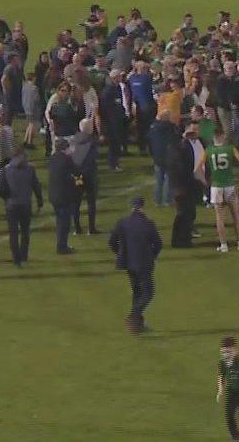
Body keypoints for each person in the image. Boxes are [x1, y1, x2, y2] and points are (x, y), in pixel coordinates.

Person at [109, 196, 162, 334]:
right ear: (142, 207)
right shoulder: (148, 224)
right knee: (148, 293)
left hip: (128, 263)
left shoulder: (122, 223)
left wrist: (120, 253)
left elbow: (112, 242)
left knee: (137, 292)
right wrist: (152, 256)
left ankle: (137, 326)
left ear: (132, 207)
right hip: (144, 263)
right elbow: (158, 244)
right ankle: (134, 316)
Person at [198, 130, 239, 252]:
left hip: (216, 186)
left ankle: (223, 245)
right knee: (236, 215)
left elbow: (198, 168)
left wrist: (205, 183)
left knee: (219, 217)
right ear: (223, 136)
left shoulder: (208, 150)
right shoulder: (230, 149)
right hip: (229, 184)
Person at [0, 147, 43, 266]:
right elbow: (36, 186)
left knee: (13, 233)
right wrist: (39, 201)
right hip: (26, 205)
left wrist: (7, 198)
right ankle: (23, 257)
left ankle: (16, 259)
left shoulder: (6, 170)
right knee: (25, 233)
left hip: (12, 205)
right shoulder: (30, 169)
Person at [168, 123, 201, 248]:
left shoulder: (195, 143)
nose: (195, 133)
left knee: (189, 213)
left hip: (189, 184)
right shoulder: (178, 145)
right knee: (184, 213)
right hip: (182, 185)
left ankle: (183, 239)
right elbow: (180, 167)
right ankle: (181, 241)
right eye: (192, 130)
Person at [48, 138, 80, 254]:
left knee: (60, 221)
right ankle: (62, 247)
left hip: (53, 195)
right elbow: (77, 173)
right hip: (64, 196)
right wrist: (79, 185)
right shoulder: (67, 159)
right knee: (64, 223)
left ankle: (61, 245)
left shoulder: (52, 158)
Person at [69, 118, 99, 235]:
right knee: (91, 201)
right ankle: (91, 228)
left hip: (77, 175)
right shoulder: (93, 141)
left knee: (76, 201)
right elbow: (94, 156)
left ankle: (77, 228)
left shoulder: (74, 139)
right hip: (89, 175)